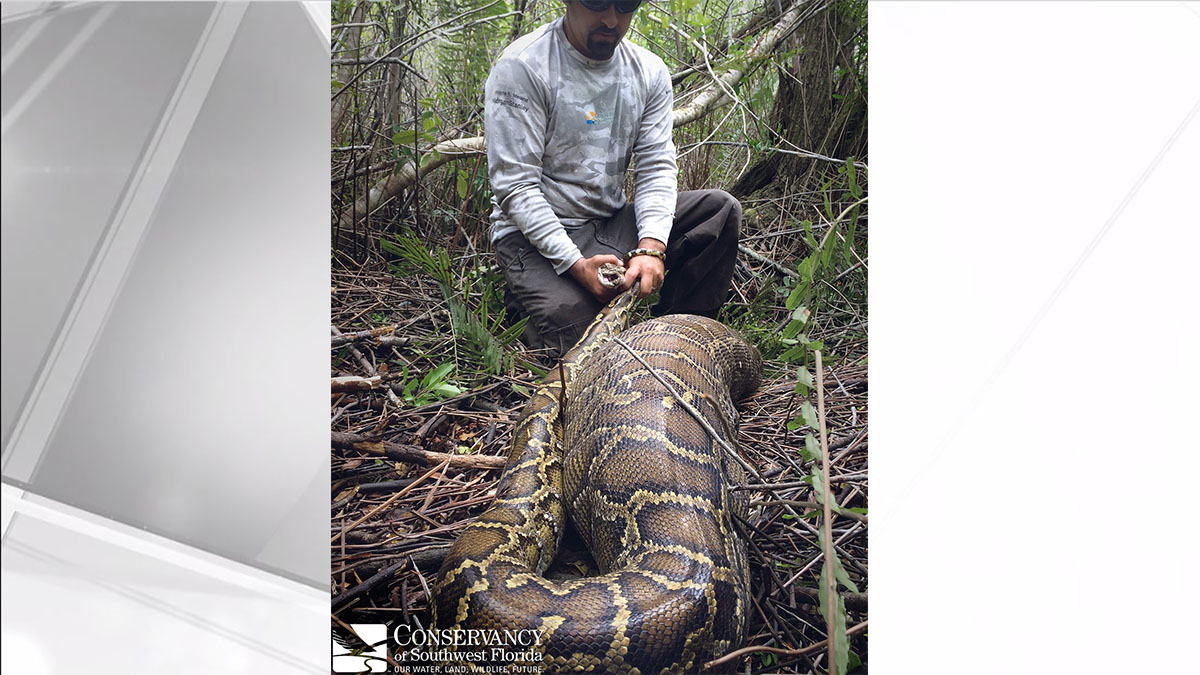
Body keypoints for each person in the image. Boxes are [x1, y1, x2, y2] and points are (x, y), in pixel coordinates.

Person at [486, 0, 741, 358]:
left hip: (608, 221)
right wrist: (575, 266)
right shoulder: (524, 67)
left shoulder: (648, 71)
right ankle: (531, 302)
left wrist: (651, 248)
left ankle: (683, 342)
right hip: (532, 239)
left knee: (719, 211)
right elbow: (516, 187)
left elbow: (656, 166)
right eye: (596, 3)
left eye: (625, 5)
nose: (611, 18)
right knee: (583, 337)